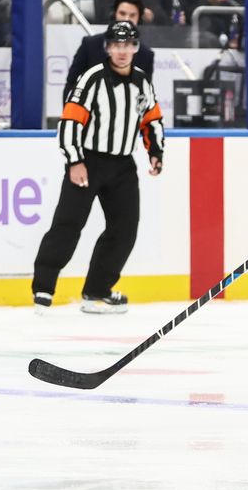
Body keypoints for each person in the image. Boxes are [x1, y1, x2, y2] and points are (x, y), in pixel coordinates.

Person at [32, 21, 165, 315]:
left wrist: (155, 152)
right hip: (88, 161)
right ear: (108, 47)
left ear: (135, 48)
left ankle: (97, 290)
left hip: (122, 166)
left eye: (127, 45)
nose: (122, 51)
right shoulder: (92, 78)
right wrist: (74, 160)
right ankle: (43, 286)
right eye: (116, 45)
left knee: (124, 229)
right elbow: (70, 120)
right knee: (68, 223)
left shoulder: (142, 81)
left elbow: (151, 119)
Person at [65, 0, 155, 101]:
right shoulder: (90, 45)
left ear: (139, 19)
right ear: (114, 14)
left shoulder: (146, 55)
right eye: (122, 13)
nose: (126, 19)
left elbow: (144, 93)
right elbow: (71, 84)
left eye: (132, 15)